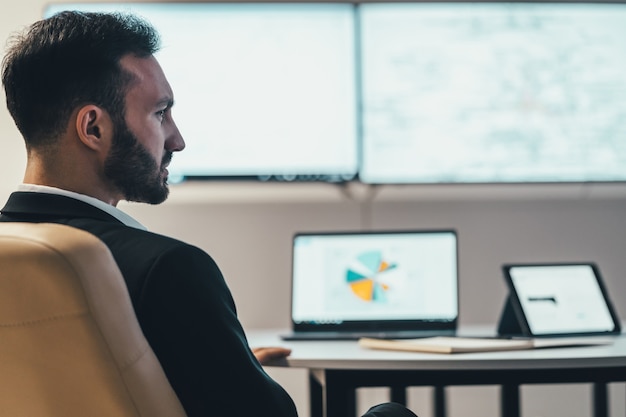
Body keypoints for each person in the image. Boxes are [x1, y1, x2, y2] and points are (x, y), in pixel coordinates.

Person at [0, 11, 418, 417]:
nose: (177, 139)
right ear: (93, 128)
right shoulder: (166, 270)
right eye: (160, 114)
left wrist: (214, 357)